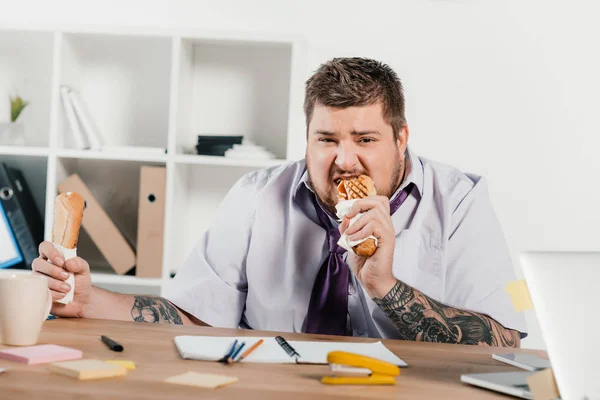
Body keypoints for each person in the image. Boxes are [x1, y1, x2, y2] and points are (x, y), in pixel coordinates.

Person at [34, 57, 526, 347]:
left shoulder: (459, 200)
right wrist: (89, 300)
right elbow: (197, 316)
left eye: (365, 139)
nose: (344, 160)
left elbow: (502, 341)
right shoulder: (256, 194)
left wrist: (385, 285)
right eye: (327, 139)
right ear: (307, 138)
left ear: (402, 138)